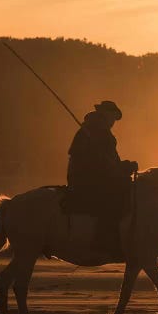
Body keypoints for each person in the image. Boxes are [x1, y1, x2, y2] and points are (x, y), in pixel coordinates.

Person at [66, 101, 138, 253]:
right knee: (115, 198)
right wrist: (125, 168)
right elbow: (104, 165)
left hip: (87, 175)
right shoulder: (98, 131)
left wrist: (124, 166)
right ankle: (104, 240)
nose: (113, 121)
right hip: (88, 179)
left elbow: (110, 162)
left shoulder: (94, 129)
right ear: (105, 114)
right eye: (112, 117)